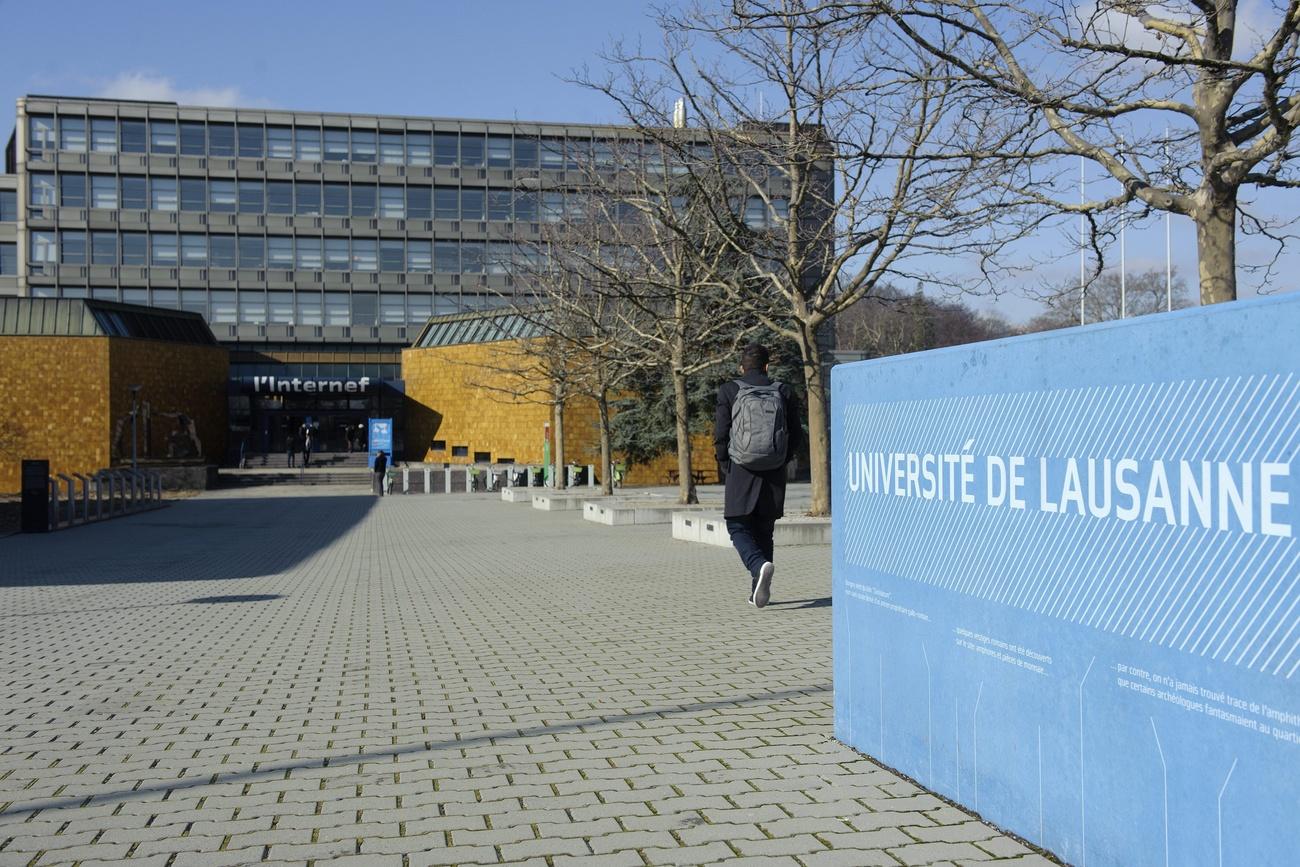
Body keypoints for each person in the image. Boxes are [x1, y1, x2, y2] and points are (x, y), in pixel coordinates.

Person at [714, 343, 802, 608]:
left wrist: (724, 463)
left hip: (741, 468)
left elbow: (721, 432)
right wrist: (782, 461)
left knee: (737, 525)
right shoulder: (783, 391)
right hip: (774, 469)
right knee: (765, 529)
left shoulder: (730, 390)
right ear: (767, 366)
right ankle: (757, 591)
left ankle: (758, 565)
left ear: (742, 367)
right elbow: (796, 434)